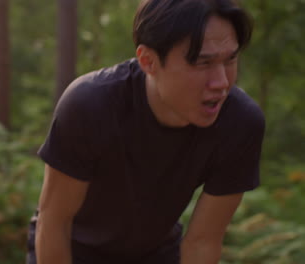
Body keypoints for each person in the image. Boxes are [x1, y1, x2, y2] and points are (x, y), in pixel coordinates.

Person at [28, 0, 265, 263]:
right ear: (148, 61)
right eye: (201, 62)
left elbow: (202, 242)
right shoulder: (90, 105)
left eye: (230, 59)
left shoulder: (240, 122)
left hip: (157, 253)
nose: (221, 82)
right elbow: (54, 223)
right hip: (70, 250)